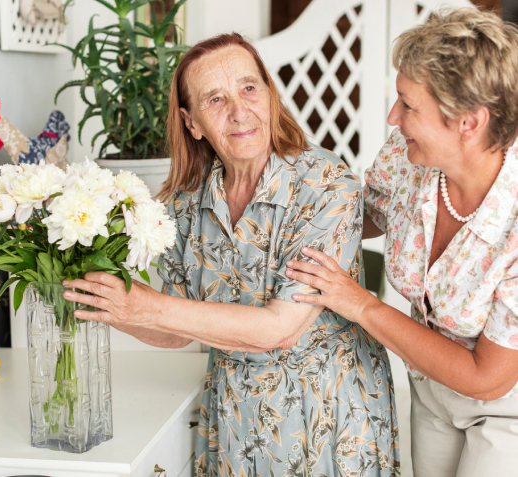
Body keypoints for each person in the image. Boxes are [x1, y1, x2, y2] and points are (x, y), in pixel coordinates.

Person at [63, 33, 400, 476]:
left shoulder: (326, 184)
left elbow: (280, 328)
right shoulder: (185, 204)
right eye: (215, 99)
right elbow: (174, 330)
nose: (239, 111)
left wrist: (148, 306)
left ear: (269, 96)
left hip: (328, 415)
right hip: (234, 415)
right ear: (192, 122)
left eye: (248, 88)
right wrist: (106, 304)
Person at [286, 8, 518, 477]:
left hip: (505, 405)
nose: (394, 118)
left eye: (409, 106)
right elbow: (365, 213)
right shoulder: (409, 154)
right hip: (429, 385)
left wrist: (362, 305)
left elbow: (487, 378)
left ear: (469, 122)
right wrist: (288, 216)